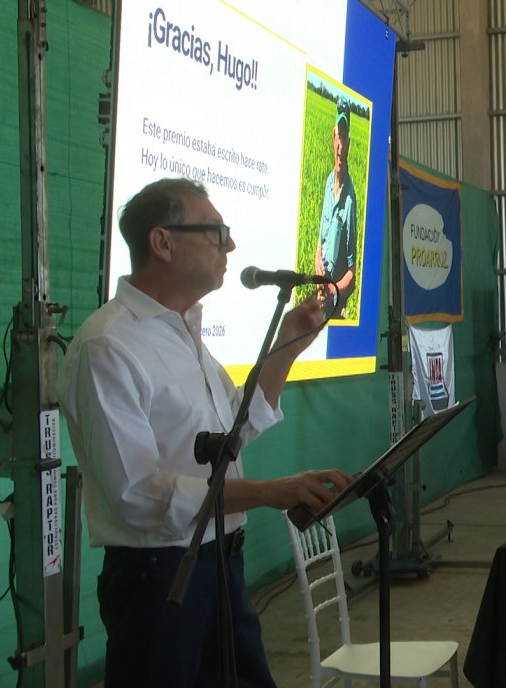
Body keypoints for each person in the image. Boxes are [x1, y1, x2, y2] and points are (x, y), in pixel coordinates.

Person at [58, 178, 353, 687]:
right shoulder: (108, 347)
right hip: (160, 577)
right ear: (162, 242)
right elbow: (137, 495)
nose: (230, 246)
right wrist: (269, 492)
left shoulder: (184, 332)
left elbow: (234, 431)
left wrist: (288, 342)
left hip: (221, 565)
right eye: (216, 232)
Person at [315, 100, 358, 317]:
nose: (341, 146)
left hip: (334, 306)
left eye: (345, 138)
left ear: (349, 143)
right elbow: (320, 243)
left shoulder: (350, 200)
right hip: (319, 298)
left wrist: (333, 290)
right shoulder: (327, 183)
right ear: (334, 138)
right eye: (338, 136)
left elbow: (352, 274)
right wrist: (317, 265)